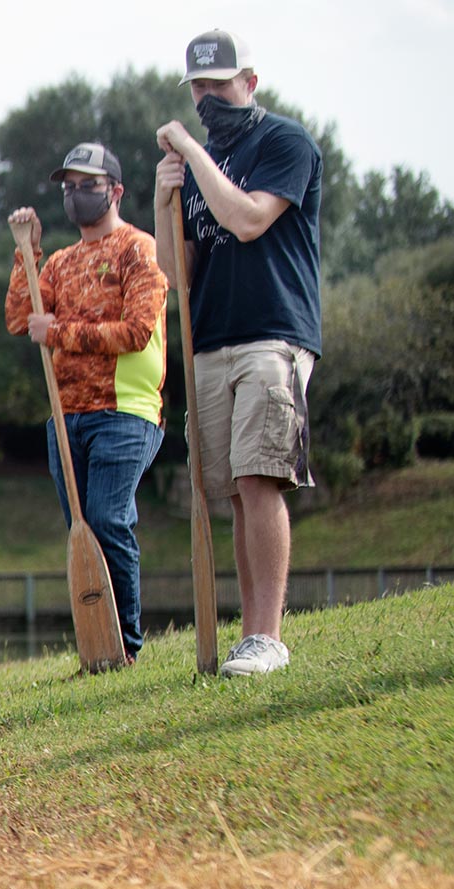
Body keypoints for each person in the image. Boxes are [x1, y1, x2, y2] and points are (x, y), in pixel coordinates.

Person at [153, 28, 324, 678]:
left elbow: (249, 218)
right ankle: (248, 635)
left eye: (219, 85)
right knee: (230, 490)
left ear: (249, 83)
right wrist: (162, 195)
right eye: (198, 88)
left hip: (273, 333)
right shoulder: (193, 170)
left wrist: (194, 155)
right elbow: (177, 272)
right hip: (212, 340)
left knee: (261, 478)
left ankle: (266, 637)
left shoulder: (285, 142)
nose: (207, 98)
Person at [5, 140, 170, 663]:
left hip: (126, 411)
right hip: (65, 415)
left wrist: (61, 333)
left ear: (116, 191)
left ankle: (128, 645)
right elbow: (19, 319)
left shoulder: (138, 249)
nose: (76, 196)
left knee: (106, 518)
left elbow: (140, 331)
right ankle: (100, 645)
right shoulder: (58, 262)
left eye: (88, 186)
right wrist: (27, 252)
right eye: (69, 189)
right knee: (83, 527)